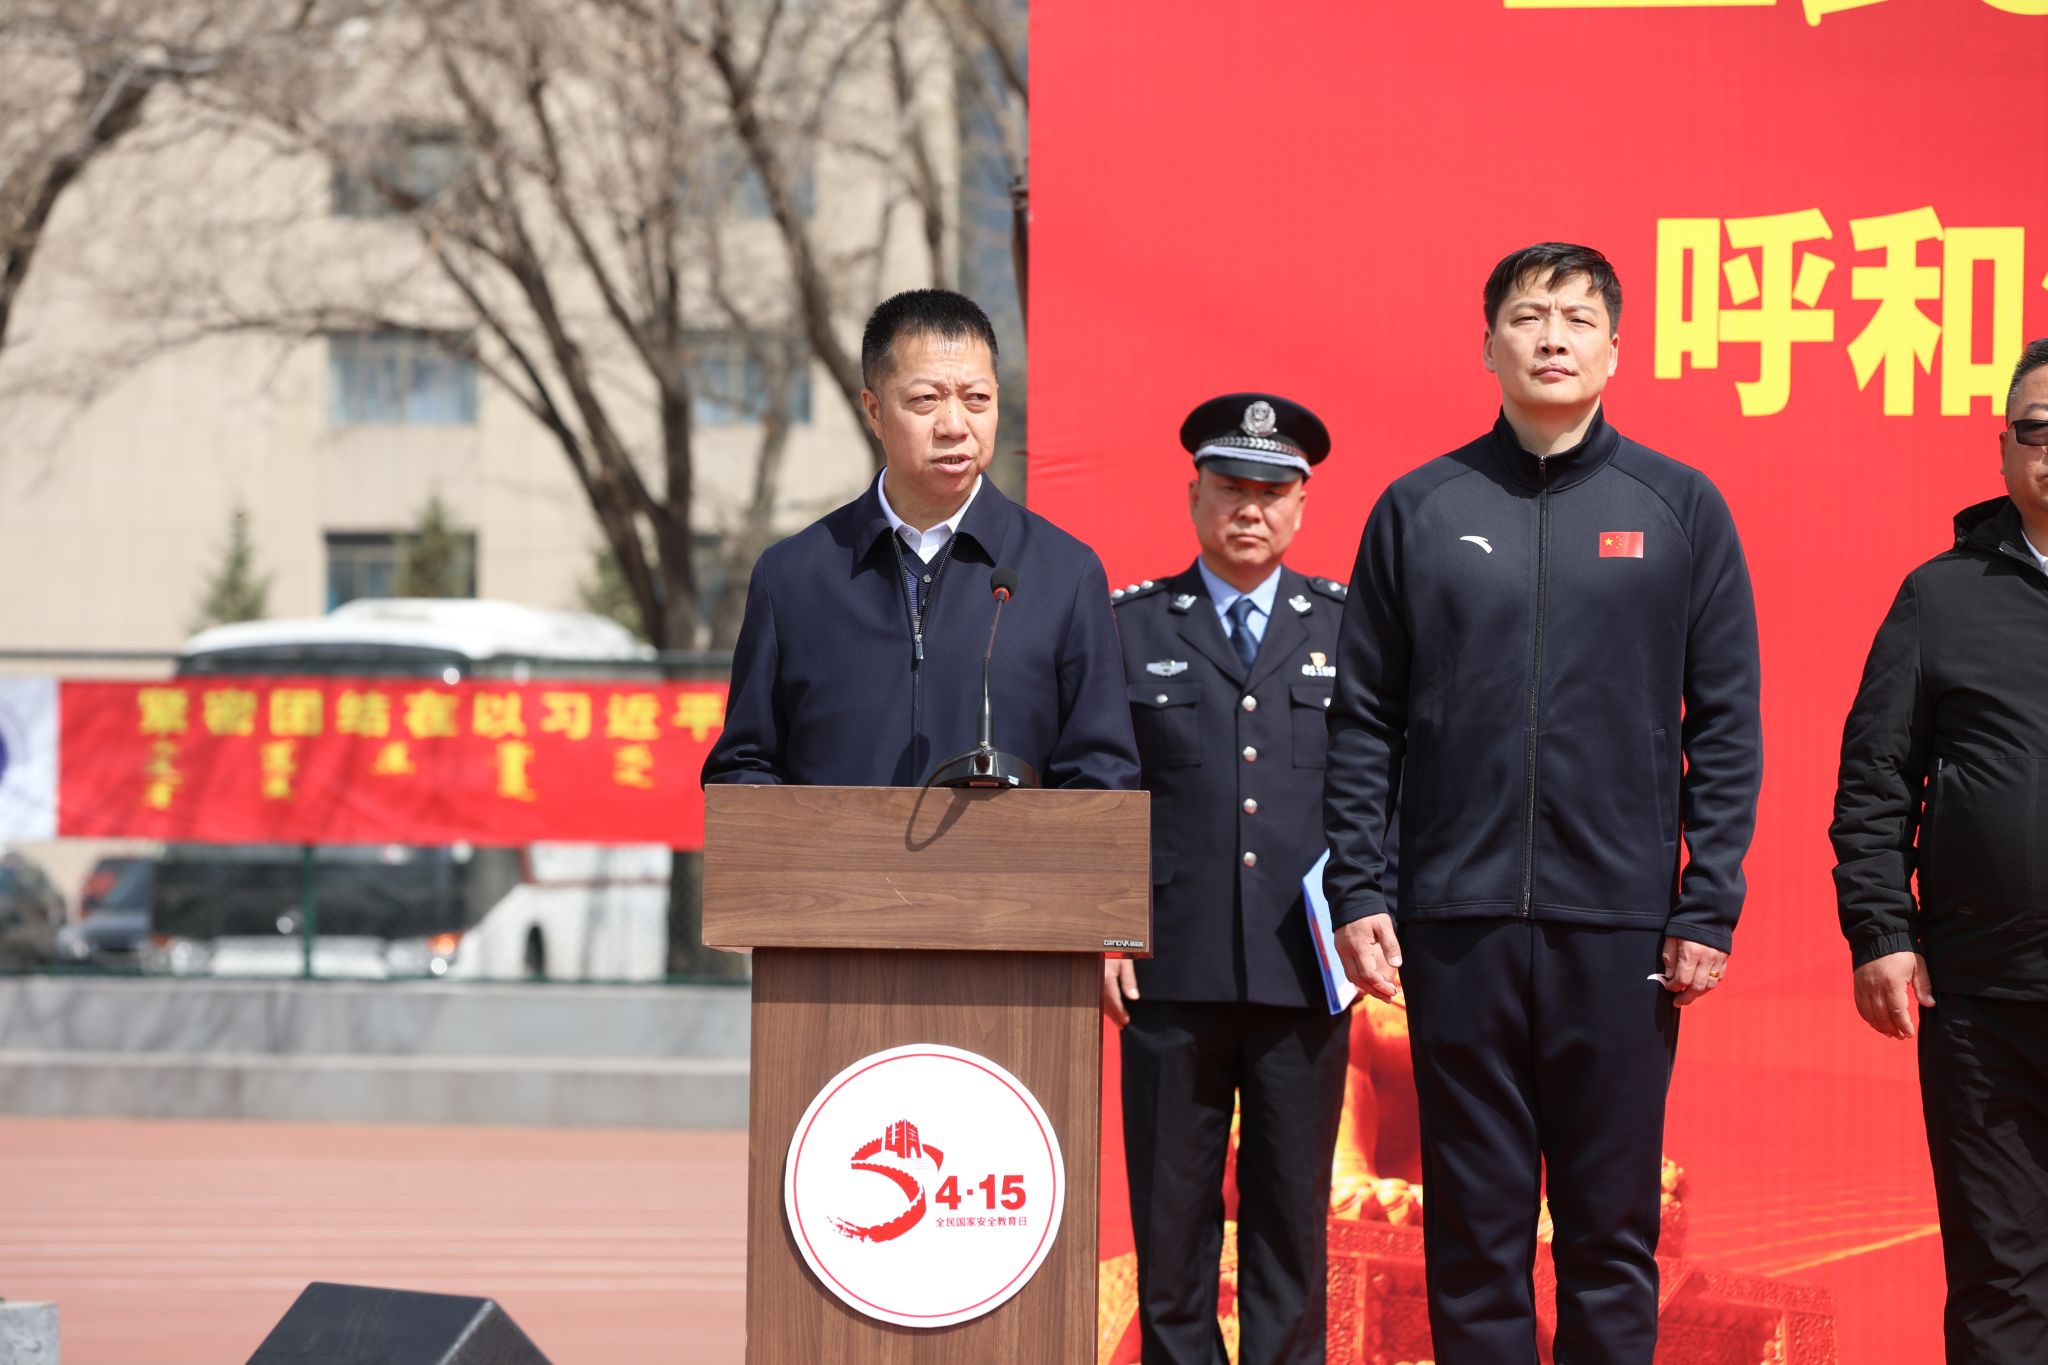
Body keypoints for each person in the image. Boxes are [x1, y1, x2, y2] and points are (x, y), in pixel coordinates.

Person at [1322, 243, 1762, 1364]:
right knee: (1474, 1239)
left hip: (1619, 932)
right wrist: (1361, 890)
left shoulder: (1679, 507)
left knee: (1610, 1237)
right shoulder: (1420, 508)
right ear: (1488, 345)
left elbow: (1723, 722)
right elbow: (1363, 718)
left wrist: (1706, 901)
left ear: (1616, 349)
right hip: (1455, 926)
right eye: (1527, 316)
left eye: (1577, 318)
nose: (1552, 337)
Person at [1103, 393, 1352, 1365]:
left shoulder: (1348, 628)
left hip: (1304, 969)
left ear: (1300, 506)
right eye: (1230, 488)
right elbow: (1098, 789)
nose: (1250, 509)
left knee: (1291, 1223)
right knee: (1171, 1232)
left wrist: (1373, 911)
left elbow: (1384, 787)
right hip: (1169, 969)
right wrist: (1105, 925)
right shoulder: (1128, 627)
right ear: (1193, 495)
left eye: (1272, 492)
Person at [1830, 338, 2048, 1364]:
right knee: (2001, 1276)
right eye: (2037, 429)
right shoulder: (1940, 595)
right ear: (2002, 448)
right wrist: (1880, 931)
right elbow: (1875, 776)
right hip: (1984, 1000)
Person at [702, 289, 1138, 791]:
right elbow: (744, 767)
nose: (954, 425)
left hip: (1006, 848)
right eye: (926, 399)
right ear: (874, 411)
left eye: (977, 399)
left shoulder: (1064, 574)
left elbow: (1101, 778)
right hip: (833, 847)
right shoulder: (792, 577)